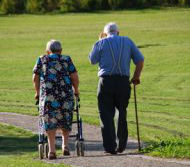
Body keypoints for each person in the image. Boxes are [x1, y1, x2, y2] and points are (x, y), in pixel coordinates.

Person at [89, 22, 144, 155]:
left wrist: (99, 40)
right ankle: (122, 145)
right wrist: (136, 77)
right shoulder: (127, 41)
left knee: (106, 114)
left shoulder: (101, 43)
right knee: (122, 112)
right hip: (123, 81)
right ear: (118, 32)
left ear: (105, 33)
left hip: (106, 81)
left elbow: (92, 60)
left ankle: (110, 147)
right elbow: (140, 60)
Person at [33, 39, 79, 159]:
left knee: (49, 121)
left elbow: (35, 77)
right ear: (61, 51)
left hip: (48, 97)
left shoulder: (42, 59)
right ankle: (65, 146)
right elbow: (74, 76)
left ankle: (52, 151)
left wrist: (37, 92)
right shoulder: (66, 59)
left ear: (48, 51)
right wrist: (76, 90)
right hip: (66, 96)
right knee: (66, 118)